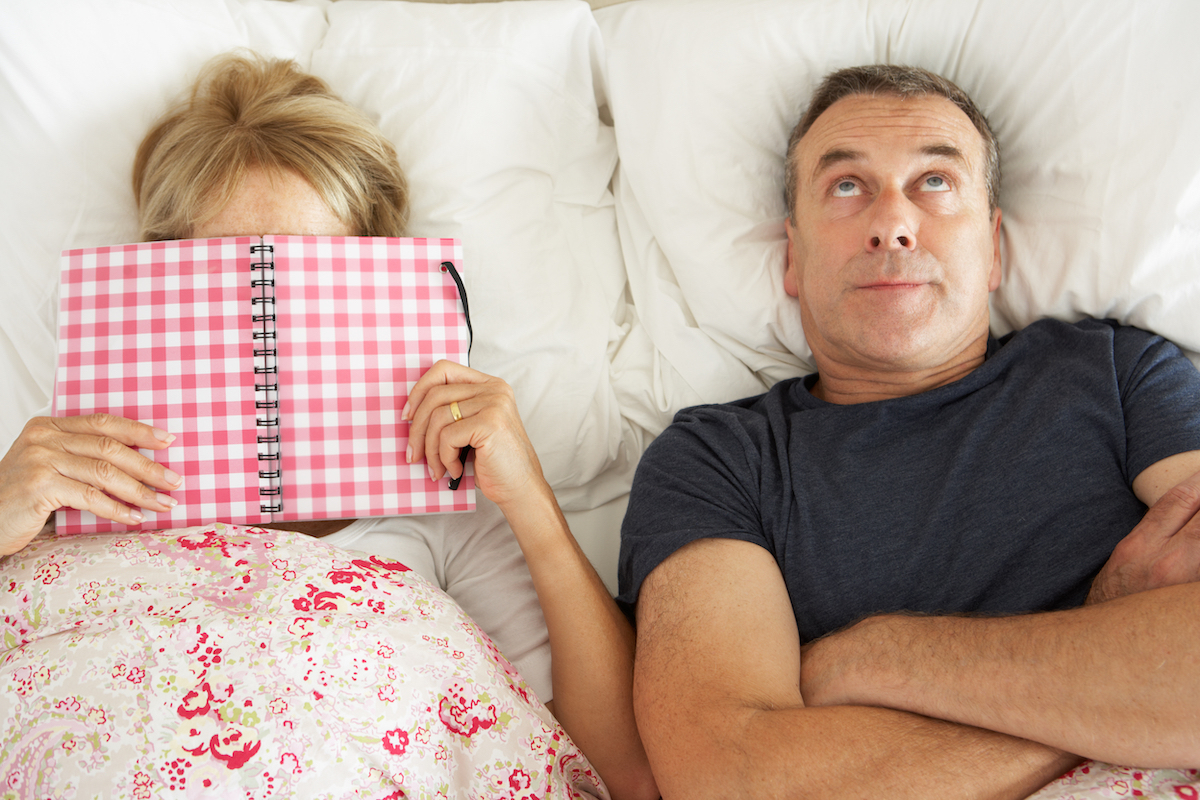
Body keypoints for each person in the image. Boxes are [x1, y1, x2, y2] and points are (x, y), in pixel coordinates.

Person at [0, 53, 656, 800]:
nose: (266, 330)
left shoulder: (438, 506)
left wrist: (532, 500)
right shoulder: (63, 489)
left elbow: (625, 773)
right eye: (226, 272)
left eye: (308, 275)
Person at [617, 64, 1200, 799]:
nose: (892, 223)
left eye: (935, 182)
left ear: (992, 248)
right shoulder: (718, 463)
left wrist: (870, 658)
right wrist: (1111, 665)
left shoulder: (1117, 372)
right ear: (792, 255)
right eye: (847, 186)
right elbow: (730, 773)